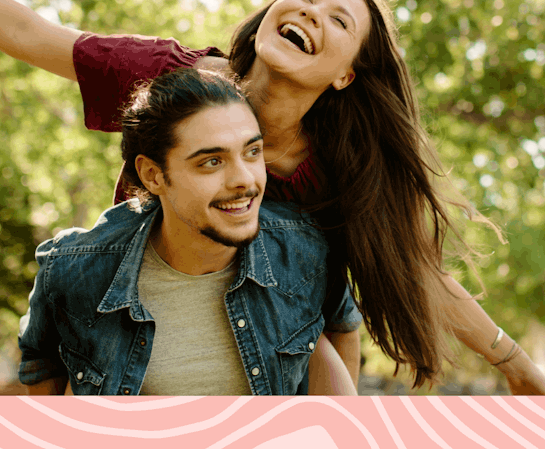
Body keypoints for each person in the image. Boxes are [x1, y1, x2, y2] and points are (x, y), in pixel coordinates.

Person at [0, 0, 545, 394]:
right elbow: (37, 35)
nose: (310, 12)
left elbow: (418, 271)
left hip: (276, 349)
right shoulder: (177, 82)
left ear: (346, 72)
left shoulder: (338, 170)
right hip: (144, 324)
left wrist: (516, 366)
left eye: (336, 20)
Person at [19, 68, 360, 395]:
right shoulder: (72, 271)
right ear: (154, 175)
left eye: (252, 152)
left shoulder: (305, 250)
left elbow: (342, 328)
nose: (245, 179)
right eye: (212, 161)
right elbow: (41, 366)